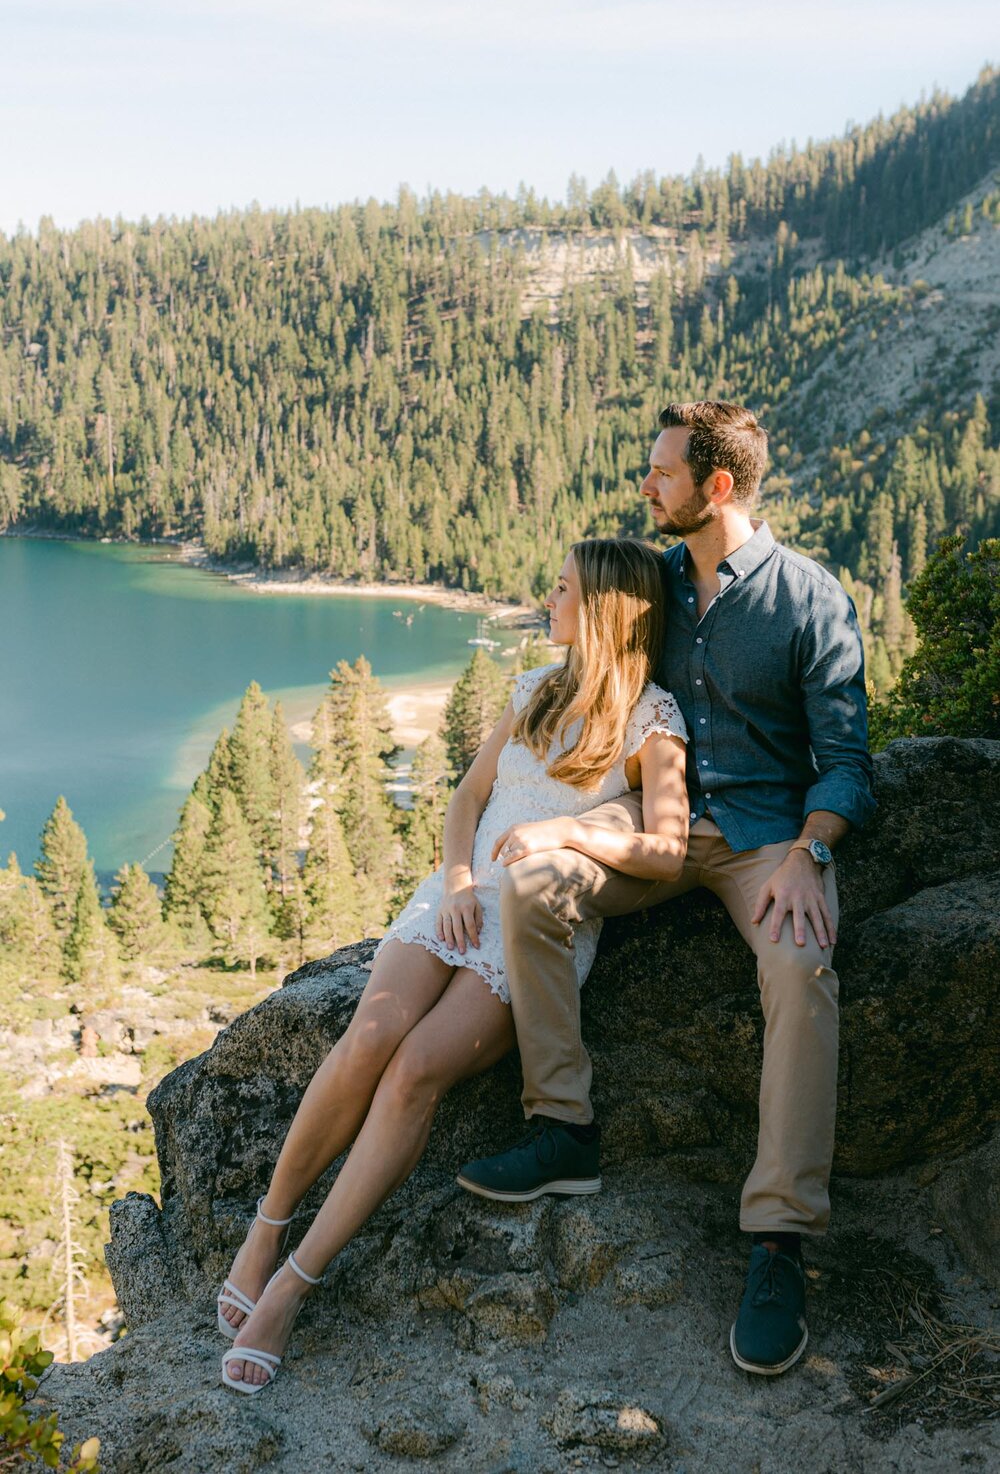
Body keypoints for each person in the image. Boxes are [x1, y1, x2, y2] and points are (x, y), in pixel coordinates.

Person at [458, 401, 877, 1379]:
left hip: (763, 839)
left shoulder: (809, 598)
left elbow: (849, 759)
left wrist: (811, 851)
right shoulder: (649, 590)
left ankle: (777, 1241)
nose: (646, 486)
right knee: (530, 886)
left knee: (802, 968)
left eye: (662, 473)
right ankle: (561, 1126)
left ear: (716, 487)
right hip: (644, 823)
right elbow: (588, 675)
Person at [217, 536, 691, 1392]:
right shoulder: (535, 691)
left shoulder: (652, 721)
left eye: (563, 590)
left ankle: (296, 1282)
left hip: (538, 926)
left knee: (413, 1076)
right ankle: (266, 1229)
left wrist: (565, 832)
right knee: (372, 1034)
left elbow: (667, 848)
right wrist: (462, 878)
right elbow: (468, 799)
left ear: (606, 612)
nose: (548, 601)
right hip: (460, 893)